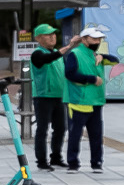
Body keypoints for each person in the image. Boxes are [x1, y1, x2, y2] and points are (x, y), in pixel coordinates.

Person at [62, 25, 107, 171]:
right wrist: (91, 79)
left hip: (96, 101)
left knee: (96, 135)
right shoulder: (75, 54)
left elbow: (115, 60)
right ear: (84, 39)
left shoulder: (96, 55)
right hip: (78, 101)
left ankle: (97, 162)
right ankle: (73, 162)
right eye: (94, 39)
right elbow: (70, 74)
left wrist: (103, 56)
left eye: (99, 39)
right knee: (75, 134)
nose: (97, 42)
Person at [28, 23, 69, 171]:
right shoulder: (37, 54)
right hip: (43, 96)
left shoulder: (58, 53)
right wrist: (69, 47)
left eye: (53, 34)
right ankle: (41, 161)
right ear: (38, 38)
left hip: (59, 96)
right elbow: (48, 59)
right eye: (47, 34)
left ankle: (56, 157)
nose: (52, 37)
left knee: (61, 128)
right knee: (42, 129)